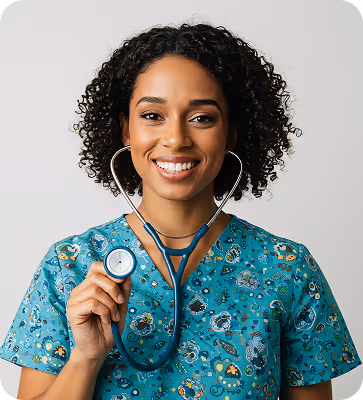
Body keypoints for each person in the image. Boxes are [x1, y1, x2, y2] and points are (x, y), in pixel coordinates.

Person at [0, 22, 361, 400]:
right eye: (152, 116)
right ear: (125, 131)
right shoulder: (68, 266)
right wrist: (86, 357)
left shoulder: (288, 268)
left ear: (232, 133)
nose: (175, 139)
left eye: (202, 117)